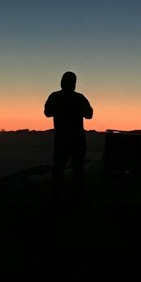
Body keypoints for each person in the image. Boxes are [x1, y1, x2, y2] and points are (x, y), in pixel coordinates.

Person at [43, 71, 93, 203]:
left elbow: (47, 112)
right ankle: (76, 200)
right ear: (74, 84)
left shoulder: (55, 97)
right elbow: (89, 114)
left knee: (58, 170)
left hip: (61, 140)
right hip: (77, 140)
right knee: (78, 171)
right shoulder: (79, 98)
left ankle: (55, 199)